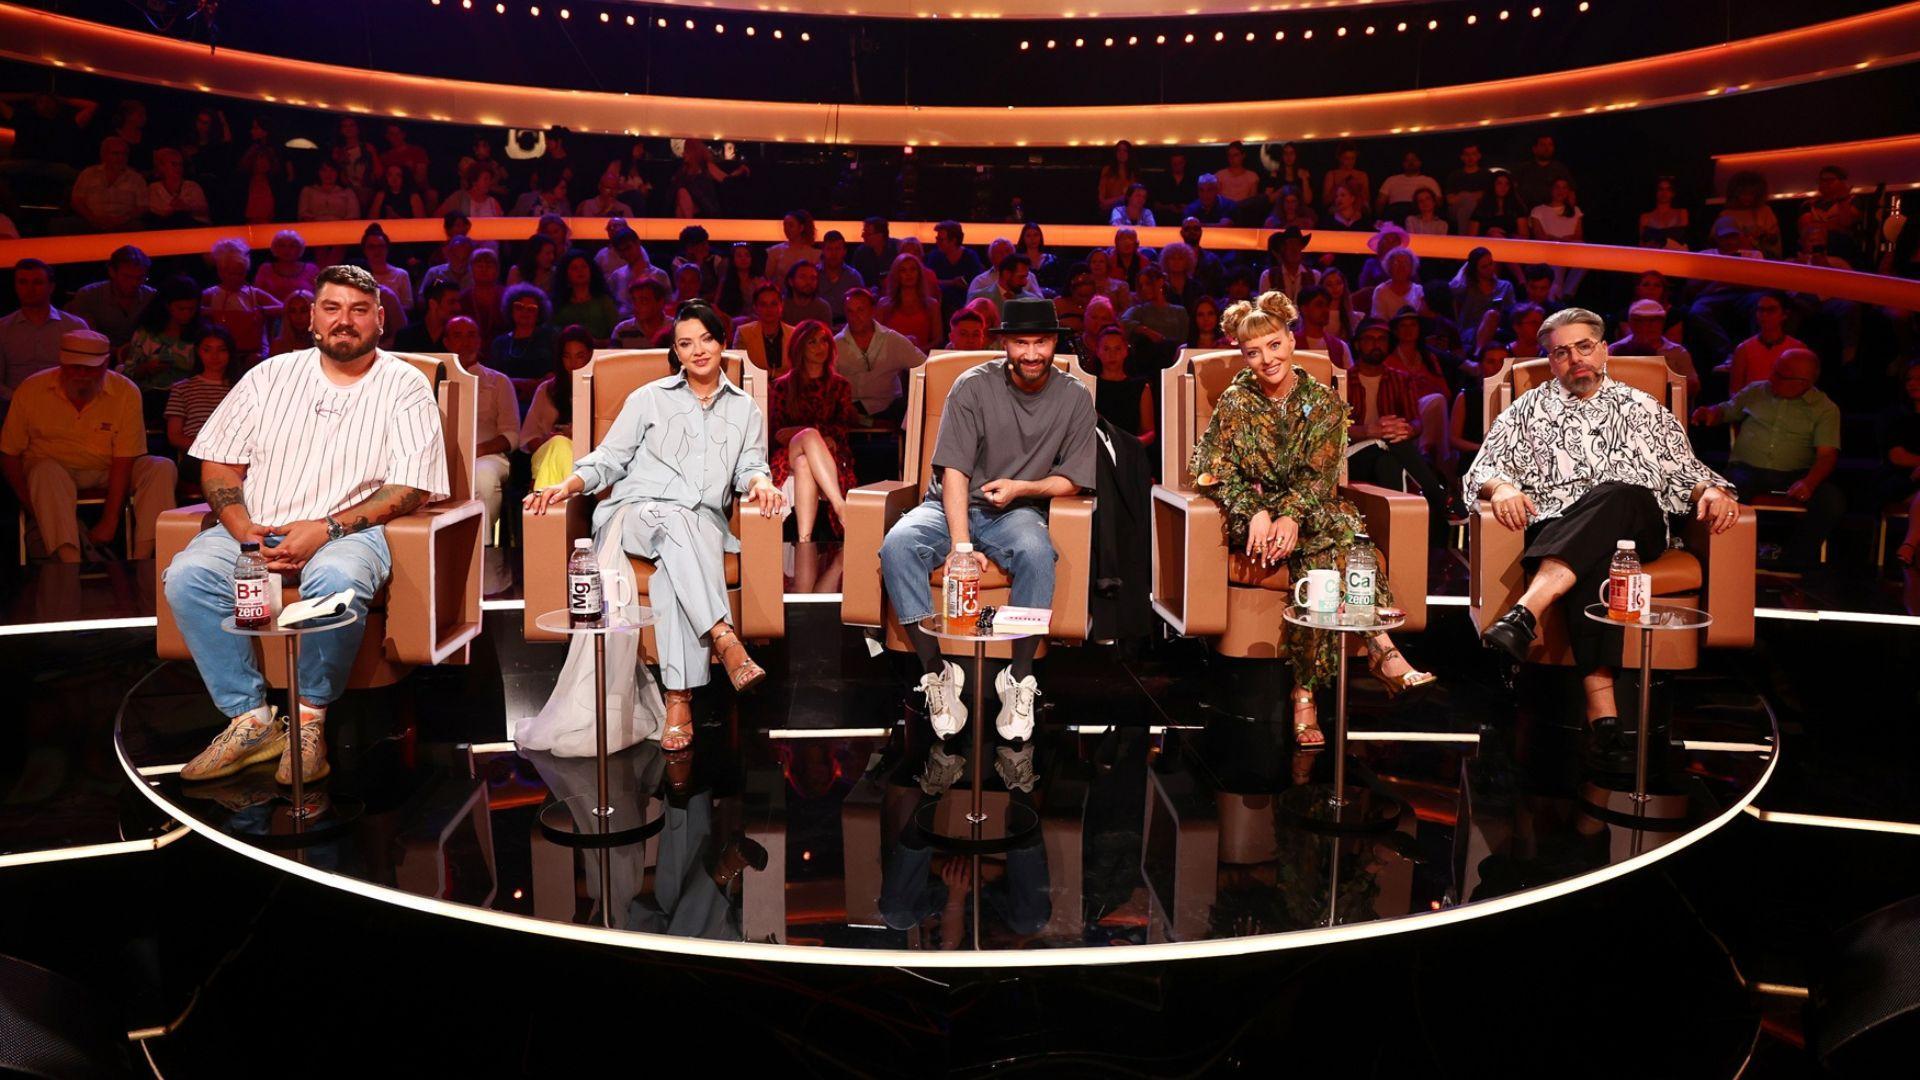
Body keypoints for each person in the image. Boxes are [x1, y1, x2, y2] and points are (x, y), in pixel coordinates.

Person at [166, 266, 449, 784]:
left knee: (335, 582)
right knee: (187, 576)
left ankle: (309, 720)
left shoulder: (405, 384)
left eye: (359, 310)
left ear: (380, 320)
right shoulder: (268, 376)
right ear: (312, 317)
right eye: (332, 308)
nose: (345, 321)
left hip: (349, 533)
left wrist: (325, 530)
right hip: (256, 527)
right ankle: (250, 719)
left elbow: (411, 487)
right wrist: (242, 529)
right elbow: (218, 463)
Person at [1468, 308, 1740, 744]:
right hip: (1563, 530)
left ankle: (1526, 612)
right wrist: (1500, 488)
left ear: (1604, 350)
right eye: (1561, 352)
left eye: (1584, 347)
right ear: (1551, 361)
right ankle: (1604, 710)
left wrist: (1709, 490)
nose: (1575, 359)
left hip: (1638, 523)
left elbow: (1684, 471)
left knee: (1620, 493)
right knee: (1595, 556)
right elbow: (1480, 471)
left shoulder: (1643, 407)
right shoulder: (1526, 410)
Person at [525, 302, 785, 748]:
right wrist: (566, 486)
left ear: (723, 342)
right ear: (676, 352)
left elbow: (750, 465)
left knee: (671, 574)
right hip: (637, 512)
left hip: (701, 522)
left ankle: (678, 698)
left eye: (706, 339)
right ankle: (723, 637)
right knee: (673, 521)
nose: (698, 350)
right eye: (686, 343)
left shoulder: (745, 408)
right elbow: (609, 459)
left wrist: (761, 483)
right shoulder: (649, 398)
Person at [1190, 293, 1435, 750]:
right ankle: (1380, 648)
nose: (1267, 359)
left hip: (1310, 509)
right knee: (1340, 535)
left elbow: (1321, 475)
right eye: (1253, 352)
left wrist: (1291, 515)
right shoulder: (1236, 401)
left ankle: (1305, 696)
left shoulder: (1321, 400)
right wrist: (1255, 510)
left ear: (1291, 340)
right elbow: (1210, 469)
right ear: (1243, 356)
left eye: (1274, 345)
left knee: (1325, 544)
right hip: (1254, 518)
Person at [878, 297, 1097, 742]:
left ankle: (1019, 677)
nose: (1031, 353)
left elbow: (1074, 479)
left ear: (1054, 343)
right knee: (898, 545)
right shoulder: (972, 386)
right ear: (1005, 344)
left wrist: (1021, 488)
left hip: (1016, 509)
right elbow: (954, 471)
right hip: (949, 505)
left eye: (1040, 342)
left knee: (1037, 551)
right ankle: (937, 672)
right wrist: (961, 546)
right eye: (1021, 343)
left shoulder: (1075, 396)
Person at [1, 328, 174, 561]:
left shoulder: (125, 391)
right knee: (45, 472)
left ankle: (144, 558)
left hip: (108, 469)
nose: (82, 374)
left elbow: (125, 458)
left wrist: (109, 520)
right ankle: (69, 560)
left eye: (90, 368)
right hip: (52, 473)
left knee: (161, 467)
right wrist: (33, 506)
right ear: (62, 363)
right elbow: (9, 453)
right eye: (74, 367)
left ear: (105, 365)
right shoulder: (32, 389)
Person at [1691, 349, 1841, 572]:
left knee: (1831, 500)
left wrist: (1809, 483)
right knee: (1726, 491)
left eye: (1780, 375)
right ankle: (1729, 561)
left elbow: (1827, 455)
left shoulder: (1825, 409)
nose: (1772, 378)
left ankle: (1793, 563)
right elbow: (1724, 411)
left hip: (1795, 474)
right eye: (1774, 371)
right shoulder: (1756, 391)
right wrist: (1709, 413)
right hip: (1747, 469)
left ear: (1804, 383)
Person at [1345, 317, 1453, 538]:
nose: (1376, 344)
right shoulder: (1342, 380)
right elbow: (1334, 428)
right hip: (1353, 455)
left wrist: (1407, 429)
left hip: (1390, 451)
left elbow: (1416, 422)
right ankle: (1438, 495)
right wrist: (1368, 431)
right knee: (1388, 441)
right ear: (1357, 344)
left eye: (1382, 339)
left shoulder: (1400, 379)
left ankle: (1397, 538)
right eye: (1369, 339)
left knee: (1389, 461)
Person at [770, 322, 859, 540]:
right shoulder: (782, 386)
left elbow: (842, 427)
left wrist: (807, 433)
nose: (821, 347)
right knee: (809, 436)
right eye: (812, 342)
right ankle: (840, 505)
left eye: (824, 341)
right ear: (800, 347)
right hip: (789, 451)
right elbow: (779, 433)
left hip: (829, 451)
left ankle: (804, 539)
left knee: (804, 462)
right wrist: (810, 432)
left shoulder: (840, 386)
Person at [438, 315, 519, 550]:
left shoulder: (499, 382)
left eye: (471, 335)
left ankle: (478, 550)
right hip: (440, 455)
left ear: (480, 341)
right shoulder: (431, 380)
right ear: (446, 342)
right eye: (458, 335)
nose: (466, 342)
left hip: (486, 456)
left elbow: (512, 435)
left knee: (483, 478)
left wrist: (476, 450)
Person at [163, 326, 240, 486]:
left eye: (221, 350)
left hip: (236, 453)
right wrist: (207, 449)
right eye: (207, 350)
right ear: (199, 352)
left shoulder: (242, 388)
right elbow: (174, 435)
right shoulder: (183, 388)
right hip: (198, 455)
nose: (214, 356)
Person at [836, 288, 925, 424]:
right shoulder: (836, 344)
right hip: (851, 409)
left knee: (907, 408)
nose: (855, 316)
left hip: (889, 407)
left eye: (860, 310)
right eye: (850, 311)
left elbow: (925, 366)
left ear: (872, 311)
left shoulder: (892, 340)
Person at [520, 326, 594, 489]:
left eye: (579, 356)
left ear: (590, 355)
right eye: (567, 356)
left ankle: (543, 498)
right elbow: (529, 438)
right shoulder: (546, 390)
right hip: (548, 453)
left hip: (587, 459)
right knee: (559, 444)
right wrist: (551, 440)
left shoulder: (601, 388)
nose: (573, 363)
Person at [199, 239, 280, 365]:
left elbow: (283, 307)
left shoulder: (253, 293)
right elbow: (192, 311)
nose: (236, 278)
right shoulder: (211, 294)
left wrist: (262, 311)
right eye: (232, 274)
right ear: (220, 271)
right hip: (223, 353)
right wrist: (210, 313)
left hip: (254, 353)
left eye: (241, 274)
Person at [65, 246, 153, 356]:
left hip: (141, 358)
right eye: (127, 277)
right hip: (95, 358)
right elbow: (86, 338)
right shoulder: (89, 295)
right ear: (112, 272)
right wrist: (120, 352)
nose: (134, 283)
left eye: (140, 278)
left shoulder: (151, 297)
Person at [1609, 298, 1702, 401]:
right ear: (1630, 323)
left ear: (1662, 323)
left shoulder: (1678, 352)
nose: (1647, 326)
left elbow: (1693, 385)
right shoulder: (1614, 350)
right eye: (1640, 321)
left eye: (1653, 321)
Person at [122, 275, 204, 390]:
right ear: (167, 305)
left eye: (191, 309)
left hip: (188, 394)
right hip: (150, 393)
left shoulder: (201, 333)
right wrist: (147, 368)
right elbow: (127, 373)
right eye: (181, 309)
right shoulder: (146, 333)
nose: (187, 314)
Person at [1879, 359, 1920, 572]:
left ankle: (1909, 545)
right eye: (1909, 379)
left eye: (1919, 379)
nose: (1912, 383)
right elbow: (1898, 457)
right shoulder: (1895, 415)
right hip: (1901, 479)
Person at [1721, 292, 1805, 395]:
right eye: (1761, 310)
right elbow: (1735, 392)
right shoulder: (1744, 349)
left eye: (1771, 310)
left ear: (1784, 315)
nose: (1764, 315)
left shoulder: (1797, 348)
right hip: (1751, 404)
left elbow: (1803, 388)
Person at [1090, 326, 1154, 448]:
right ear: (1097, 351)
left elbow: (1149, 432)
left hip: (1129, 452)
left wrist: (1132, 445)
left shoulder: (1140, 387)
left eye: (1117, 349)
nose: (1112, 354)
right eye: (1106, 349)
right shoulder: (1089, 385)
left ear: (1126, 351)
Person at [69, 137, 147, 232]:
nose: (121, 158)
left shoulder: (136, 178)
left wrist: (123, 219)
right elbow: (77, 201)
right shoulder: (88, 174)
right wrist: (93, 218)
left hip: (124, 224)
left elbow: (142, 206)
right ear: (103, 155)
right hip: (90, 222)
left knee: (137, 226)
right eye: (115, 153)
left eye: (124, 154)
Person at [1120, 266, 1188, 372]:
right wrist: (1145, 330)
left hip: (1175, 362)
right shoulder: (1139, 310)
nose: (1144, 288)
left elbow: (1185, 340)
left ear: (1160, 282)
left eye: (1148, 284)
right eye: (1141, 285)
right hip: (1147, 365)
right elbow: (1122, 323)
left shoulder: (1179, 311)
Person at [490, 282, 559, 379]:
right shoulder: (500, 343)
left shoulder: (550, 338)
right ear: (511, 310)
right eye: (519, 307)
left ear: (539, 314)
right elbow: (494, 378)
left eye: (531, 309)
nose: (524, 312)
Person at [550, 251, 620, 344]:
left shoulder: (604, 301)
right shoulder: (559, 303)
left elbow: (617, 336)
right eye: (574, 268)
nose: (580, 271)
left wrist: (597, 343)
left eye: (584, 267)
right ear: (566, 274)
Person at [876, 253, 942, 352]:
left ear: (919, 273)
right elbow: (876, 339)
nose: (908, 274)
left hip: (921, 357)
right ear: (896, 275)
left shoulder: (932, 305)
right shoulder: (884, 305)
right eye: (903, 270)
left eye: (913, 269)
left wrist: (915, 352)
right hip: (891, 357)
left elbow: (938, 340)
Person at [924, 221, 985, 322]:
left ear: (953, 240)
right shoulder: (934, 256)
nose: (937, 242)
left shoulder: (970, 257)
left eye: (941, 240)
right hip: (940, 306)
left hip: (966, 304)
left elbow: (978, 283)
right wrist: (952, 282)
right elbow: (928, 281)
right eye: (937, 239)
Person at [1715, 171, 1782, 261]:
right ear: (1734, 194)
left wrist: (1764, 236)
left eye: (1751, 194)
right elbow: (1716, 243)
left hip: (1761, 260)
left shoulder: (1765, 211)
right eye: (1743, 194)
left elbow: (1775, 242)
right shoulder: (1726, 214)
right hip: (1733, 260)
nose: (1747, 197)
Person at [733, 285, 796, 375]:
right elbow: (737, 367)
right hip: (754, 382)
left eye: (773, 304)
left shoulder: (793, 333)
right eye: (763, 305)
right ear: (755, 307)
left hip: (786, 383)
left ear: (781, 305)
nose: (769, 309)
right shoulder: (743, 333)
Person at [146, 147, 212, 227]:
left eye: (180, 164)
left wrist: (186, 207)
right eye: (174, 164)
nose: (178, 168)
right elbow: (153, 210)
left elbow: (204, 209)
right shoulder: (154, 188)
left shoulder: (192, 186)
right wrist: (172, 210)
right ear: (161, 166)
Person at [253, 230, 320, 307]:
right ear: (275, 248)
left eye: (292, 246)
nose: (287, 250)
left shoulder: (311, 269)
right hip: (272, 313)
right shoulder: (265, 269)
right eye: (282, 246)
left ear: (300, 249)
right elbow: (256, 298)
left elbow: (320, 297)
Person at [358, 224, 414, 314]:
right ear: (364, 250)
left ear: (387, 249)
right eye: (372, 247)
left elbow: (408, 305)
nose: (377, 251)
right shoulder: (359, 276)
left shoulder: (401, 275)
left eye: (381, 246)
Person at [394, 280, 462, 353]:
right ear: (433, 304)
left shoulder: (459, 336)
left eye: (458, 302)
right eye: (451, 302)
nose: (458, 307)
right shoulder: (406, 336)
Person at [815, 231, 866, 323]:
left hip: (848, 325)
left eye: (837, 249)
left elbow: (862, 306)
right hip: (818, 323)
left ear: (844, 251)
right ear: (823, 251)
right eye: (829, 249)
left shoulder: (854, 277)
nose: (833, 253)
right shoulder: (813, 275)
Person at [1511, 133, 1572, 210]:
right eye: (1543, 145)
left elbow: (1571, 192)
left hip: (1554, 212)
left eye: (1550, 145)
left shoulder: (1560, 169)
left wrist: (1570, 211)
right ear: (1534, 149)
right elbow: (1513, 191)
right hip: (1528, 212)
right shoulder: (1523, 169)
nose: (1547, 148)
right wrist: (1521, 208)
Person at [1376, 150, 1441, 222]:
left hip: (1419, 213)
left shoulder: (1430, 181)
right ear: (1403, 164)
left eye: (1414, 160)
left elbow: (1438, 202)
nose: (1411, 163)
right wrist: (1379, 218)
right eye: (1407, 160)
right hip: (1396, 213)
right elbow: (1380, 202)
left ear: (1420, 163)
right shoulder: (1391, 180)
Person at [1443, 142, 1492, 234]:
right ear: (1462, 157)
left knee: (1465, 209)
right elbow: (1450, 200)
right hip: (1455, 210)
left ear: (1479, 156)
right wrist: (1472, 196)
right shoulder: (1455, 175)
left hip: (1480, 209)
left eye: (1473, 154)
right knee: (1466, 205)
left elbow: (1487, 195)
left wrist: (1463, 196)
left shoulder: (1486, 175)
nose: (1470, 157)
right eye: (1467, 155)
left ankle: (1464, 237)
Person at [1259, 226, 1317, 301]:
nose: (1294, 249)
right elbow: (1264, 306)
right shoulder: (1268, 276)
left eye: (1297, 244)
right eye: (1290, 244)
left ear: (1301, 248)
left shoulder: (1314, 276)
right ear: (1283, 248)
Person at [765, 210, 822, 285]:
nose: (786, 229)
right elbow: (767, 279)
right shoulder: (775, 251)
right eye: (785, 225)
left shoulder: (814, 255)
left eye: (791, 225)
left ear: (801, 228)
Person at [612, 279, 671, 349]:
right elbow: (612, 355)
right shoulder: (621, 330)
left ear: (660, 303)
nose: (636, 306)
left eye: (643, 301)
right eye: (634, 301)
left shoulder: (677, 328)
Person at [1469, 170, 1527, 238]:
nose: (1503, 187)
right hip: (1486, 243)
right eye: (1499, 183)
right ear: (1492, 185)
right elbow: (1471, 236)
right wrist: (1488, 235)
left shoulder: (1517, 207)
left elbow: (1524, 236)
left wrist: (1505, 236)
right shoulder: (1481, 208)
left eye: (1507, 184)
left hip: (1509, 243)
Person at [1639, 176, 1690, 250]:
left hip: (1675, 255)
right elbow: (1641, 244)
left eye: (1668, 189)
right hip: (1652, 255)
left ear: (1672, 193)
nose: (1664, 193)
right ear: (1656, 192)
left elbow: (1684, 240)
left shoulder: (1681, 213)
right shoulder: (1645, 217)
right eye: (1660, 189)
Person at [850, 217, 903, 288]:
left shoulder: (898, 248)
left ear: (880, 236)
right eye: (863, 232)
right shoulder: (861, 252)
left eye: (867, 234)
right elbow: (854, 278)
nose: (862, 236)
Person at [781, 261, 833, 328]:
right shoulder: (781, 305)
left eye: (813, 278)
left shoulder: (823, 308)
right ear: (791, 281)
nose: (808, 282)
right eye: (802, 277)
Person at [1321, 144, 1370, 212]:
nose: (1350, 162)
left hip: (1357, 211)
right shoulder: (1332, 174)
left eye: (1353, 158)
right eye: (1346, 158)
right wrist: (1340, 185)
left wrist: (1358, 189)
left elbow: (1367, 199)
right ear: (1339, 158)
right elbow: (1325, 201)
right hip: (1338, 211)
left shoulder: (1362, 175)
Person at [268, 290, 316, 358]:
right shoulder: (278, 346)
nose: (298, 317)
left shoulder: (323, 345)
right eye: (293, 311)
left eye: (303, 311)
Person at [1096, 140, 1137, 218]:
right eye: (1119, 150)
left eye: (1125, 150)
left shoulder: (1133, 173)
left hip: (1127, 212)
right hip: (1108, 211)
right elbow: (1102, 200)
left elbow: (1133, 198)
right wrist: (1120, 198)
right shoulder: (1107, 170)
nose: (1121, 153)